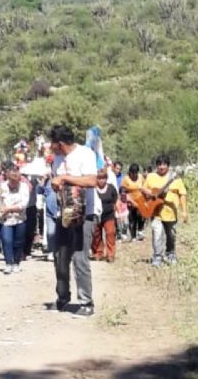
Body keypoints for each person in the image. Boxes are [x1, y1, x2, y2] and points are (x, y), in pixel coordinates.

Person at [49, 125, 98, 318]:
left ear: (60, 143)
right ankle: (62, 297)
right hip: (63, 213)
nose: (51, 147)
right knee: (60, 256)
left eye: (53, 143)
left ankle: (86, 302)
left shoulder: (85, 154)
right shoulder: (57, 159)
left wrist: (64, 178)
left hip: (84, 214)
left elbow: (91, 181)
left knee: (79, 258)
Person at [141, 155, 188, 267]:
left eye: (164, 164)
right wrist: (151, 194)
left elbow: (182, 195)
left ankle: (170, 254)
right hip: (156, 213)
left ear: (168, 166)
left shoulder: (175, 179)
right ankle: (157, 256)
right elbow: (143, 189)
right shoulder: (151, 177)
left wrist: (184, 211)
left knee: (171, 235)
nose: (161, 167)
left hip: (171, 213)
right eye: (159, 164)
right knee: (157, 234)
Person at [0, 167, 30, 274]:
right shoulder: (1, 186)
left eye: (16, 182)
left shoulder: (24, 187)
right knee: (7, 241)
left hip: (20, 219)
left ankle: (16, 263)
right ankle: (8, 263)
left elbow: (24, 204)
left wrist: (9, 208)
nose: (14, 184)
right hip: (6, 219)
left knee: (18, 242)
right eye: (12, 181)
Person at [92, 169, 118, 262]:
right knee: (96, 235)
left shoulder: (111, 188)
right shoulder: (93, 188)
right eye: (99, 178)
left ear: (106, 178)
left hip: (109, 215)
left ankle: (110, 254)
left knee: (110, 233)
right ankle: (98, 253)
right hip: (96, 215)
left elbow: (116, 199)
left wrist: (116, 210)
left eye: (103, 178)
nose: (101, 180)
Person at [122, 163, 146, 241]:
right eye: (132, 173)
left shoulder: (141, 177)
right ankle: (133, 236)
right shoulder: (126, 179)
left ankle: (140, 232)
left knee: (140, 216)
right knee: (132, 218)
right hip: (130, 202)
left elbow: (145, 188)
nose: (134, 175)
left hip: (140, 201)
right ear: (130, 172)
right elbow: (123, 192)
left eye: (135, 173)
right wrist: (126, 201)